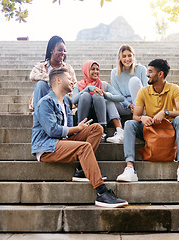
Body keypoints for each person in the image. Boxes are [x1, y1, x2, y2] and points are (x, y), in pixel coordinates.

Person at [31, 67, 128, 208]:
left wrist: (79, 130)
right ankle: (101, 192)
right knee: (84, 147)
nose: (72, 81)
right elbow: (52, 130)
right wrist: (77, 129)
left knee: (96, 129)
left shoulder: (66, 102)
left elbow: (68, 133)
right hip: (46, 146)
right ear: (58, 80)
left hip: (62, 142)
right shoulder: (46, 102)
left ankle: (82, 170)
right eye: (69, 78)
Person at [116, 59, 179, 182]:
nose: (147, 74)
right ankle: (130, 168)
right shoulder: (144, 91)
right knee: (129, 123)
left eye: (150, 71)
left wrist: (165, 112)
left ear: (160, 74)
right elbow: (135, 116)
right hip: (149, 128)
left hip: (169, 128)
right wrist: (142, 118)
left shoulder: (174, 89)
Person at [72, 61, 124, 142]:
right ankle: (81, 130)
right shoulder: (78, 85)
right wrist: (88, 88)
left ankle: (103, 130)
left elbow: (121, 98)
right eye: (93, 69)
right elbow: (74, 100)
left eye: (97, 69)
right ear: (86, 70)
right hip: (84, 116)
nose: (96, 72)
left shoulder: (103, 84)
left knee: (98, 95)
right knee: (85, 95)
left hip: (100, 116)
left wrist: (105, 95)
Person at [107, 45, 148, 144]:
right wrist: (129, 105)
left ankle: (138, 116)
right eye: (124, 56)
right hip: (125, 106)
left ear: (133, 56)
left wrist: (138, 105)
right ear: (120, 58)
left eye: (129, 55)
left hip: (141, 105)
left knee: (134, 81)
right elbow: (117, 94)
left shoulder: (141, 69)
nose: (127, 59)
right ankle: (120, 131)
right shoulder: (114, 73)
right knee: (107, 97)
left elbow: (147, 89)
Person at [29, 35, 77, 111]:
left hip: (61, 99)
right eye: (60, 50)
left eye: (64, 51)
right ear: (51, 50)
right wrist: (51, 78)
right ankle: (39, 114)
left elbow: (74, 85)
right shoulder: (41, 66)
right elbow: (32, 76)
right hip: (44, 97)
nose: (63, 53)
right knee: (40, 84)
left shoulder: (68, 68)